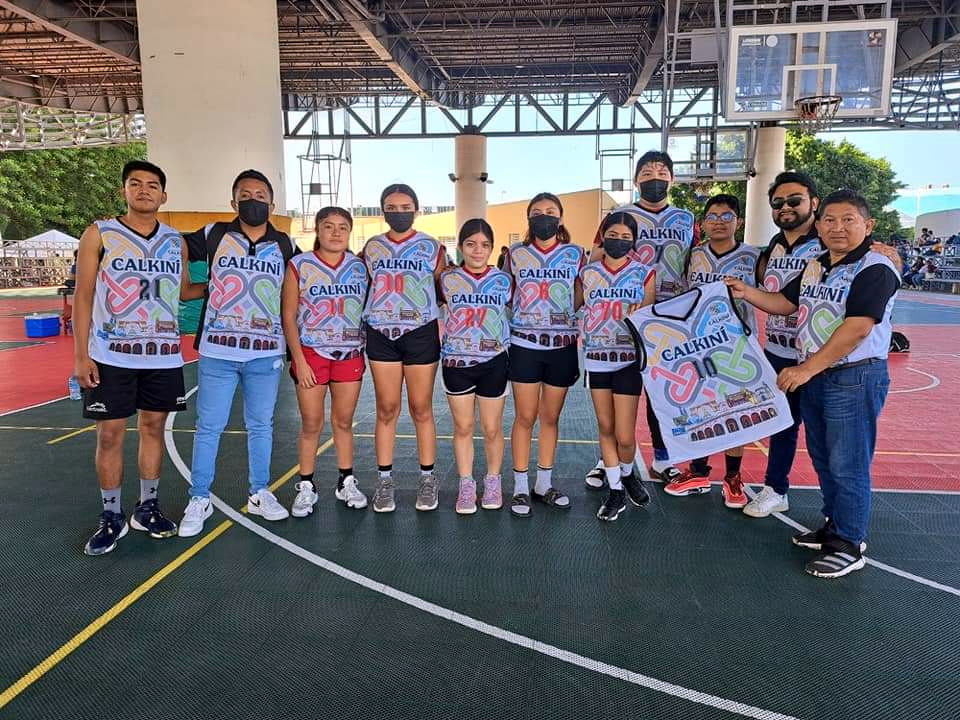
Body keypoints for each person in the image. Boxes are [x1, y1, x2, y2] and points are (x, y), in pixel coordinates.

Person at [727, 189, 900, 578]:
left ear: (868, 225)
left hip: (853, 376)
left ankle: (850, 542)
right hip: (820, 376)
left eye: (848, 220)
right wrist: (745, 291)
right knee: (824, 458)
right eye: (830, 220)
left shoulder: (875, 267)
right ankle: (834, 526)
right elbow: (785, 303)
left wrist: (806, 369)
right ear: (819, 225)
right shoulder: (816, 266)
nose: (838, 228)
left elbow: (858, 328)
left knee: (848, 462)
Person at [73, 160, 187, 555]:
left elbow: (183, 291)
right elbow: (83, 295)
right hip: (111, 353)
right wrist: (81, 355)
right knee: (109, 434)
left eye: (152, 185)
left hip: (163, 354)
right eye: (135, 183)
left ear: (163, 196)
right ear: (124, 190)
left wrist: (226, 285)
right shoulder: (100, 233)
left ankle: (147, 507)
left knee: (154, 427)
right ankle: (111, 514)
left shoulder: (174, 240)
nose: (143, 190)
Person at [178, 169, 299, 537]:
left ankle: (259, 491)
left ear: (272, 205)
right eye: (245, 195)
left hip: (266, 351)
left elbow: (304, 282)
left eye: (260, 196)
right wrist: (193, 286)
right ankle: (199, 497)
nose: (253, 200)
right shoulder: (213, 234)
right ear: (233, 202)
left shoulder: (285, 244)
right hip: (218, 350)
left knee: (261, 425)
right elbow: (171, 243)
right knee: (209, 426)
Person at [584, 150, 697, 490]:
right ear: (636, 181)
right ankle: (608, 461)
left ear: (672, 179)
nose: (654, 177)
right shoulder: (620, 216)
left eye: (662, 171)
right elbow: (596, 258)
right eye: (647, 172)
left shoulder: (685, 218)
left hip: (671, 314)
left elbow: (695, 261)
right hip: (626, 315)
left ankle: (664, 459)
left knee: (663, 391)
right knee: (617, 399)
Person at [661, 193, 761, 506]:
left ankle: (733, 477)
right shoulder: (692, 255)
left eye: (726, 216)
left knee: (736, 410)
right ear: (703, 223)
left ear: (738, 222)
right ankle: (698, 471)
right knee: (700, 408)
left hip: (737, 346)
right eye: (712, 217)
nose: (719, 222)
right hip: (698, 345)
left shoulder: (754, 256)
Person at [362, 183, 445, 513]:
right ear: (383, 211)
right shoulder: (372, 247)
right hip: (381, 332)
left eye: (405, 207)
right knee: (386, 408)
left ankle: (427, 478)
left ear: (416, 210)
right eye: (392, 208)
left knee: (421, 408)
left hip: (420, 332)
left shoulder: (432, 247)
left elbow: (443, 286)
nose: (399, 213)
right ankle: (384, 481)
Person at [281, 206, 369, 517]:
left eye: (343, 227)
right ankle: (306, 485)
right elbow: (288, 315)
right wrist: (299, 360)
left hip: (349, 353)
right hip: (312, 354)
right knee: (311, 423)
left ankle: (346, 481)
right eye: (328, 226)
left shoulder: (360, 267)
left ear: (350, 232)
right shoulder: (300, 265)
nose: (336, 232)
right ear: (317, 230)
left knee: (343, 422)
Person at [504, 192, 584, 517]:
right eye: (537, 212)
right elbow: (506, 293)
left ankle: (543, 484)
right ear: (528, 218)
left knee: (550, 418)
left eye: (550, 211)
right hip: (525, 345)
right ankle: (520, 487)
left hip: (561, 346)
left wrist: (562, 317)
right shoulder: (516, 254)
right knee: (525, 417)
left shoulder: (575, 254)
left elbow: (580, 293)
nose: (544, 217)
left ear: (560, 218)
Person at [578, 212, 655, 521]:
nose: (619, 241)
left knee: (625, 435)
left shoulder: (644, 273)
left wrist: (640, 312)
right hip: (597, 359)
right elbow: (573, 305)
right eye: (612, 235)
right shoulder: (587, 273)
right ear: (603, 237)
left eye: (626, 237)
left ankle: (627, 472)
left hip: (627, 360)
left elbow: (649, 318)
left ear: (634, 241)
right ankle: (616, 489)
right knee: (605, 427)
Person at [439, 219, 512, 514]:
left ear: (492, 248)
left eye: (484, 245)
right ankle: (466, 483)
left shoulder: (504, 281)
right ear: (461, 246)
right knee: (463, 426)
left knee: (492, 428)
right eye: (470, 244)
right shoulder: (446, 279)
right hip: (457, 362)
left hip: (494, 361)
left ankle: (493, 481)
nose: (477, 250)